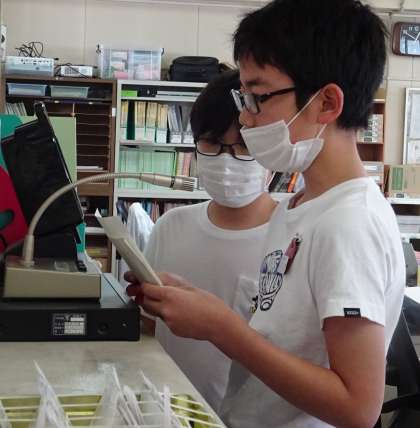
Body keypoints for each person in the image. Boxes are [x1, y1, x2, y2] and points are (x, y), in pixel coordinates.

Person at [126, 1, 405, 427]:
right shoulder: (301, 207)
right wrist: (199, 305)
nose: (244, 116)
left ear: (327, 103)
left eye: (258, 97)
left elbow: (357, 407)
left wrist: (222, 328)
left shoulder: (349, 224)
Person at [142, 70, 277, 413]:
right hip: (169, 412)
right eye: (212, 143)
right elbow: (148, 327)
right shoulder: (170, 227)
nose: (227, 159)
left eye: (244, 145)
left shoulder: (293, 238)